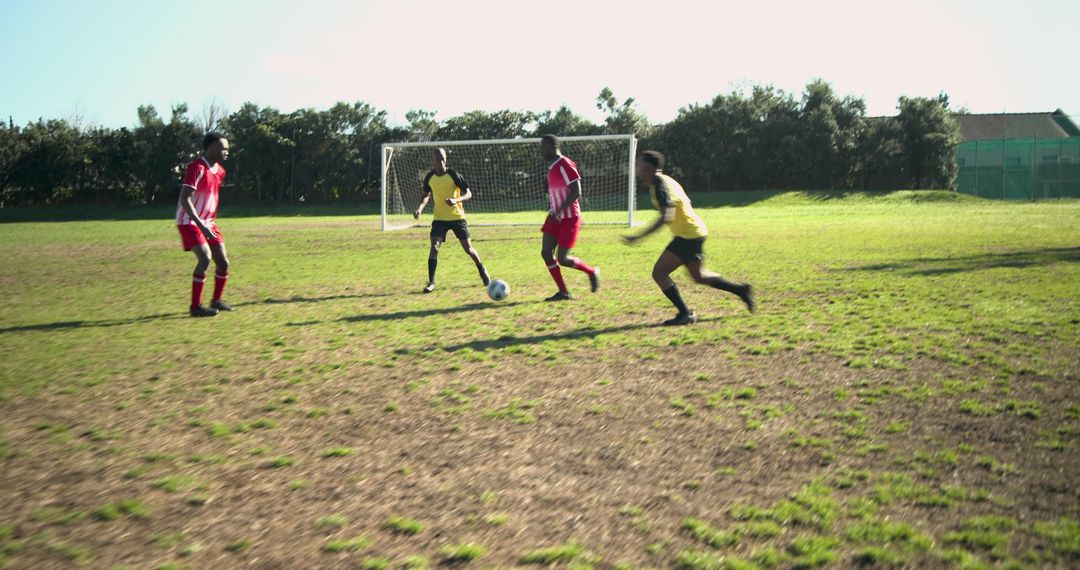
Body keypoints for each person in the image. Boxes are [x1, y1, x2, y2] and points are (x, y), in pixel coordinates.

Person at [624, 150, 754, 325]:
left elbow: (667, 216)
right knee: (699, 276)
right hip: (694, 232)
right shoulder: (666, 180)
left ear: (647, 168)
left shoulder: (660, 186)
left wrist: (640, 236)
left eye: (639, 165)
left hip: (688, 236)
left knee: (659, 272)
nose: (637, 169)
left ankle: (685, 313)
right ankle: (741, 290)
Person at [413, 147, 490, 293]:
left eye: (442, 158)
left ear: (445, 159)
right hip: (439, 219)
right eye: (437, 159)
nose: (440, 162)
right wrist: (420, 209)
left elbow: (468, 193)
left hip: (457, 217)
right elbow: (425, 195)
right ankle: (431, 282)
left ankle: (482, 270)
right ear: (434, 161)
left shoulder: (453, 175)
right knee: (434, 248)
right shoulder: (430, 177)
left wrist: (456, 200)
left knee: (468, 249)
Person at [176, 132, 233, 317]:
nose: (226, 152)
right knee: (205, 258)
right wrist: (200, 225)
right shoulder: (197, 167)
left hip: (208, 222)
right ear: (211, 147)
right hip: (190, 221)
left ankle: (216, 300)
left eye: (227, 149)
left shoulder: (221, 171)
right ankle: (195, 307)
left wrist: (207, 223)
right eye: (223, 148)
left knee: (223, 262)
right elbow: (185, 199)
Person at [538, 134, 599, 301]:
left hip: (569, 217)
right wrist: (553, 211)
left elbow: (576, 191)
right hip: (554, 217)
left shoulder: (565, 163)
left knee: (563, 258)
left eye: (543, 148)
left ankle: (591, 271)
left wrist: (559, 210)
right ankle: (563, 292)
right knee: (546, 253)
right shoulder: (551, 167)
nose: (541, 151)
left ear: (552, 146)